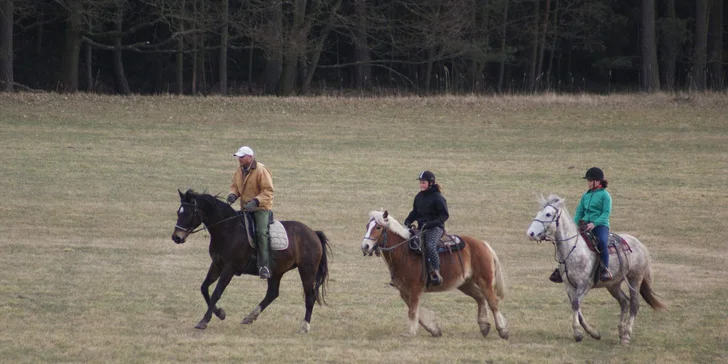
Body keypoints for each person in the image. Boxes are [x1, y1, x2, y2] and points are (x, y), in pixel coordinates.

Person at [549, 167, 613, 283]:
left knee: (602, 242)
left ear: (597, 181)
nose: (588, 183)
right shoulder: (586, 196)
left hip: (600, 226)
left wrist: (594, 224)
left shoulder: (605, 196)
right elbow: (579, 212)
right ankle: (562, 269)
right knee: (568, 243)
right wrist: (573, 225)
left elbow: (606, 213)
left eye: (590, 180)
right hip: (584, 225)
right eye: (588, 181)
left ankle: (605, 269)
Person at [227, 146, 275, 279]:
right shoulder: (239, 170)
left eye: (241, 157)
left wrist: (255, 202)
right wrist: (232, 195)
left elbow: (268, 191)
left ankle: (264, 266)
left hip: (261, 209)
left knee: (261, 233)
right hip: (245, 209)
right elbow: (235, 187)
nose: (239, 159)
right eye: (238, 157)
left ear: (250, 157)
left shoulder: (261, 170)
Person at [403, 171, 449, 285]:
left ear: (431, 183)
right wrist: (408, 220)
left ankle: (436, 272)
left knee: (429, 246)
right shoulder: (419, 196)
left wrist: (430, 224)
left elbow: (444, 216)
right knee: (408, 244)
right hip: (421, 228)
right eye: (420, 183)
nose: (421, 185)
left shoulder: (438, 198)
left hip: (436, 228)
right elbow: (415, 211)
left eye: (423, 183)